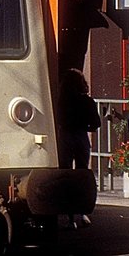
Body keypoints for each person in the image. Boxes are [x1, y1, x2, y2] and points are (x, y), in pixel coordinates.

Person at [57, 68, 102, 228]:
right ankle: (82, 214)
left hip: (64, 137)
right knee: (82, 174)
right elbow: (96, 124)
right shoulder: (87, 101)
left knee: (66, 174)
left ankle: (69, 218)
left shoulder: (60, 102)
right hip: (81, 136)